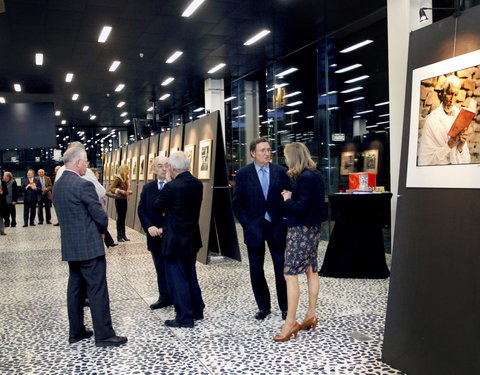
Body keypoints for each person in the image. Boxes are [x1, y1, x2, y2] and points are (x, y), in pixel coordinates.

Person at [52, 146, 127, 347]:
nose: (87, 165)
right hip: (89, 246)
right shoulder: (83, 184)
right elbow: (100, 215)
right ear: (77, 162)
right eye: (85, 161)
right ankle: (104, 335)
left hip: (71, 246)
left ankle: (76, 332)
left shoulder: (58, 185)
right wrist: (102, 231)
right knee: (97, 290)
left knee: (75, 290)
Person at [273, 142, 327, 342]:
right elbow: (313, 203)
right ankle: (310, 315)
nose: (286, 161)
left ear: (293, 158)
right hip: (314, 230)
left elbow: (301, 208)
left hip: (300, 231)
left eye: (287, 157)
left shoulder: (304, 178)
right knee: (311, 270)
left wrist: (287, 199)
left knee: (289, 274)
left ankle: (290, 323)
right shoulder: (316, 175)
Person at [232, 137, 289, 320]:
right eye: (262, 150)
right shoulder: (242, 174)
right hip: (254, 227)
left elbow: (289, 197)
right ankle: (263, 307)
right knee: (256, 269)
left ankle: (285, 307)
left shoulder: (281, 172)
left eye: (268, 149)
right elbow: (237, 203)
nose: (267, 153)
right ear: (252, 153)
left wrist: (285, 218)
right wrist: (247, 223)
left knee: (281, 268)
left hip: (277, 226)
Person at [153, 151, 204, 328]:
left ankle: (184, 317)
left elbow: (157, 205)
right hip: (192, 238)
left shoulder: (171, 187)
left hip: (175, 240)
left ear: (173, 168)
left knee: (178, 279)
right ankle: (198, 310)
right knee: (190, 274)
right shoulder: (197, 184)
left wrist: (168, 183)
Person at [138, 156, 173, 310]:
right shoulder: (148, 188)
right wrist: (149, 226)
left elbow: (178, 210)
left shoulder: (175, 186)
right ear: (153, 169)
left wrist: (165, 228)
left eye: (166, 165)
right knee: (160, 267)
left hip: (171, 234)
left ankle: (177, 296)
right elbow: (142, 209)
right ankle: (164, 297)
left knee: (174, 267)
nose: (164, 168)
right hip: (154, 236)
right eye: (160, 166)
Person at [418, 75, 472, 165]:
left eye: (455, 94)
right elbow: (425, 161)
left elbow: (467, 161)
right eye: (450, 94)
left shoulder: (460, 117)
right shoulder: (431, 120)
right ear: (443, 93)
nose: (452, 99)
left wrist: (460, 147)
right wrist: (449, 146)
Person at [90, 168, 117, 249]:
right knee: (100, 221)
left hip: (100, 203)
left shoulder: (95, 183)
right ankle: (109, 241)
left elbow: (104, 192)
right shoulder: (92, 183)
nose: (98, 175)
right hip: (97, 204)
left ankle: (109, 241)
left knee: (100, 222)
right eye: (97, 173)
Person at [110, 164, 132, 242]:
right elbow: (111, 188)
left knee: (123, 218)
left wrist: (127, 192)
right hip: (119, 200)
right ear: (124, 170)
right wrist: (119, 190)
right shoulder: (118, 178)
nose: (129, 171)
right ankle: (119, 236)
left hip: (124, 199)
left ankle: (123, 235)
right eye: (127, 169)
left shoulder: (125, 179)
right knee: (120, 218)